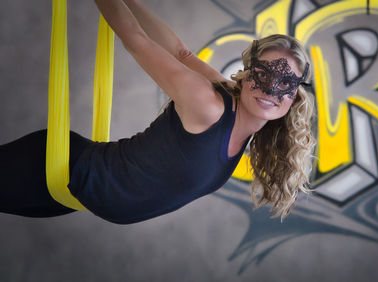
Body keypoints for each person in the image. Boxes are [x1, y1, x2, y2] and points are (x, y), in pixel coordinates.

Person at [0, 0, 315, 224]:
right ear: (247, 73)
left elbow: (182, 53)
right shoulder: (208, 105)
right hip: (60, 169)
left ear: (295, 95)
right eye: (264, 73)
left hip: (75, 194)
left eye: (285, 81)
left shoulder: (235, 108)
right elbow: (135, 41)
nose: (270, 90)